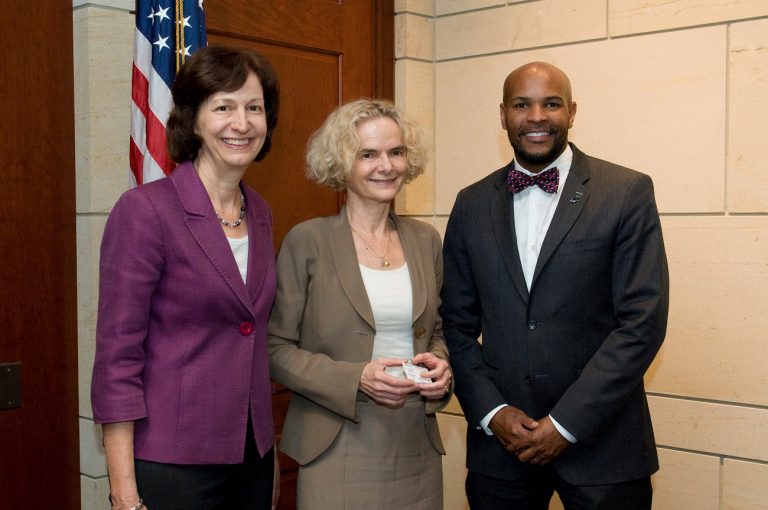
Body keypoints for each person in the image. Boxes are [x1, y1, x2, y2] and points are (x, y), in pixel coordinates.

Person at [440, 61, 669, 509]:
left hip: (604, 450)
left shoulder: (626, 192)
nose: (536, 117)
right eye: (521, 105)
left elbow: (641, 323)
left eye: (551, 104)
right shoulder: (470, 204)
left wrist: (564, 424)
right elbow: (455, 324)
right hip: (500, 451)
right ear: (503, 115)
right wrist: (492, 411)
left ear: (572, 111)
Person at [91, 46, 281, 510]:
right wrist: (124, 493)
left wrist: (269, 459)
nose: (242, 123)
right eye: (224, 107)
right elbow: (117, 360)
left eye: (254, 108)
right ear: (193, 119)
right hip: (171, 463)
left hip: (251, 459)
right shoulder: (145, 211)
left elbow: (253, 342)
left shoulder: (260, 212)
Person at [267, 99, 452, 509]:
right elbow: (274, 349)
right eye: (368, 154)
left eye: (396, 152)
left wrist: (440, 366)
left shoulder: (425, 240)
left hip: (415, 442)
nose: (386, 166)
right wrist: (356, 378)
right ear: (340, 161)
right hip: (335, 441)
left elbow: (436, 333)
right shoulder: (307, 241)